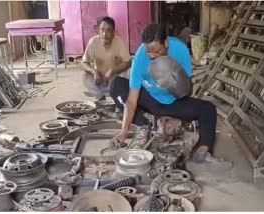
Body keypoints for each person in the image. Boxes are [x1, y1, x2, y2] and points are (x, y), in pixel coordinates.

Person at [109, 24, 217, 161]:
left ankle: (204, 149)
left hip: (174, 102)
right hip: (151, 101)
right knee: (115, 85)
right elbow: (131, 100)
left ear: (165, 43)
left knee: (209, 109)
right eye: (148, 52)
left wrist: (175, 82)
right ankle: (143, 125)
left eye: (156, 51)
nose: (151, 56)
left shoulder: (180, 49)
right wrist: (123, 132)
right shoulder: (140, 57)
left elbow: (189, 90)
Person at [81, 16, 131, 101]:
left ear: (113, 32)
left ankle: (119, 97)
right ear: (99, 30)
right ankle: (100, 97)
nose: (104, 34)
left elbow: (128, 62)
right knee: (85, 75)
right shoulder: (93, 42)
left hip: (115, 79)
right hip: (100, 79)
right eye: (102, 30)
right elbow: (84, 63)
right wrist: (94, 72)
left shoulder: (119, 41)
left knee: (130, 71)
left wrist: (112, 70)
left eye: (108, 30)